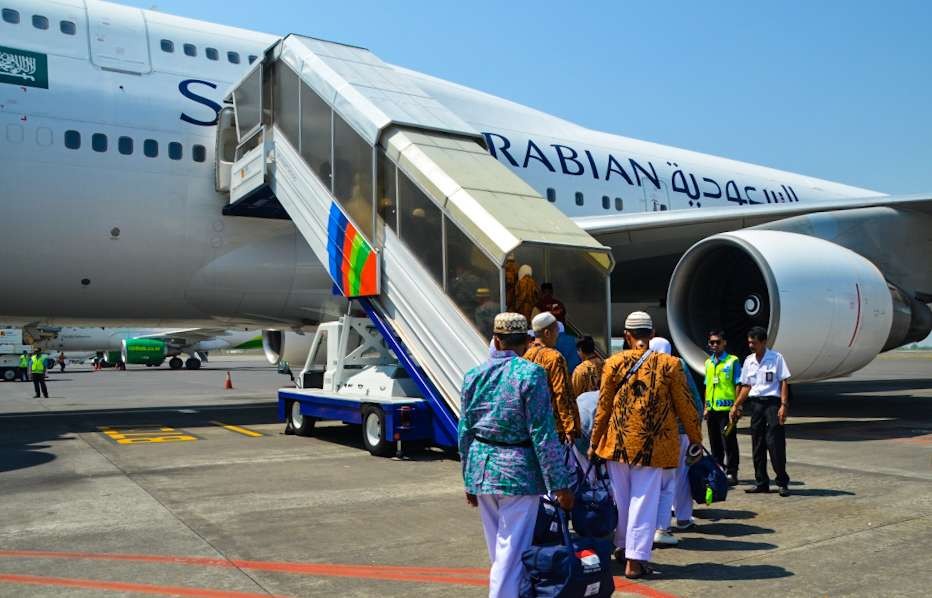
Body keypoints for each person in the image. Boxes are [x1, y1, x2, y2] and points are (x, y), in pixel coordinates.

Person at [459, 312, 574, 598]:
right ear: (526, 341)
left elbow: (464, 432)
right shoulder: (530, 374)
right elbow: (543, 434)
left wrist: (468, 481)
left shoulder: (473, 375)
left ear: (496, 341)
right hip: (518, 474)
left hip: (482, 469)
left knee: (500, 553)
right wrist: (559, 483)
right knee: (511, 552)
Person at [589, 311, 702, 579]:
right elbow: (686, 405)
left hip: (617, 444)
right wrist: (696, 439)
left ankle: (623, 547)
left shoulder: (612, 363)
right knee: (644, 502)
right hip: (653, 446)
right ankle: (635, 559)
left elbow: (602, 406)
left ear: (626, 335)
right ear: (651, 335)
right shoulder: (670, 364)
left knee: (623, 501)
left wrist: (595, 441)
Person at [730, 326, 792, 497]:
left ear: (764, 342)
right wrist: (736, 405)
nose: (751, 345)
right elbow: (746, 386)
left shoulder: (776, 358)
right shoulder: (749, 361)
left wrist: (783, 405)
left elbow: (784, 381)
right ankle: (761, 482)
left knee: (775, 444)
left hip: (772, 404)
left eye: (754, 343)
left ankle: (782, 482)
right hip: (756, 405)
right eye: (749, 342)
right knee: (757, 444)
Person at [525, 312, 580, 444]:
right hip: (552, 427)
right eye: (556, 331)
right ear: (547, 333)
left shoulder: (526, 355)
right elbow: (561, 392)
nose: (557, 336)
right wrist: (569, 427)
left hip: (530, 425)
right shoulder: (554, 357)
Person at [704, 330, 742, 486]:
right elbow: (707, 385)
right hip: (712, 410)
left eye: (717, 342)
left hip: (727, 411)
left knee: (729, 441)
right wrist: (706, 406)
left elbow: (738, 383)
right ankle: (718, 468)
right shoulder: (708, 363)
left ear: (724, 343)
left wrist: (737, 406)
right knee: (714, 443)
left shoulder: (732, 361)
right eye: (712, 342)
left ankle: (732, 472)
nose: (714, 345)